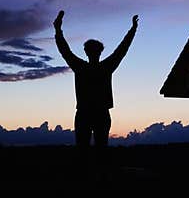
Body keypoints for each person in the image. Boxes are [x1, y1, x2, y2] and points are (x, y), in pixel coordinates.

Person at [54, 10, 138, 148]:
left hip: (88, 113)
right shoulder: (104, 67)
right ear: (99, 51)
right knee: (98, 149)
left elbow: (65, 50)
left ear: (86, 51)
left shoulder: (82, 67)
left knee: (86, 149)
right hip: (96, 113)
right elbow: (122, 50)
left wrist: (58, 30)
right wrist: (133, 30)